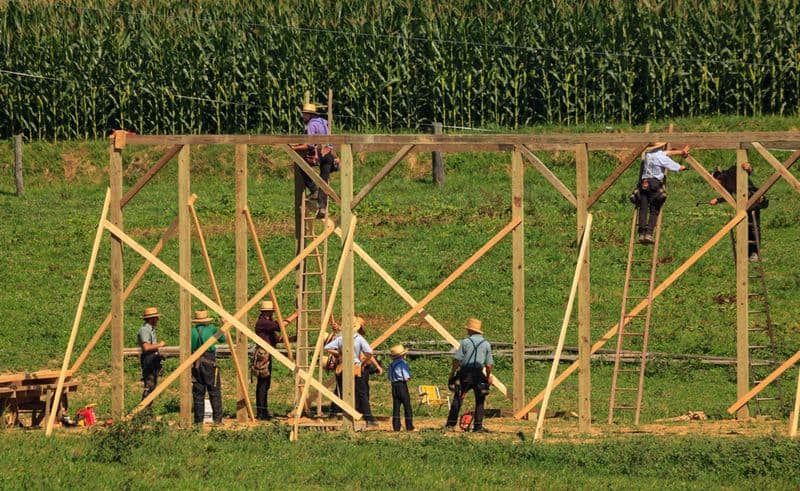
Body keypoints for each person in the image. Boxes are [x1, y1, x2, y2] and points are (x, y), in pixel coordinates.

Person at [324, 315, 383, 426]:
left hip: (343, 367)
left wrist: (339, 354)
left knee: (341, 391)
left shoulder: (341, 338)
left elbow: (327, 348)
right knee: (361, 393)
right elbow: (370, 353)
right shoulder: (359, 339)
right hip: (356, 367)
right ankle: (369, 418)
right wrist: (363, 364)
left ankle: (337, 413)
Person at [709, 162, 768, 261]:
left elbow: (746, 170)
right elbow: (727, 195)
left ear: (718, 178)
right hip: (744, 205)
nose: (715, 186)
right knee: (745, 227)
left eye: (715, 183)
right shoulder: (726, 184)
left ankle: (755, 253)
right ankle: (747, 253)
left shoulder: (732, 171)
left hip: (754, 199)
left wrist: (748, 167)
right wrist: (717, 200)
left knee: (754, 227)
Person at [634, 142, 690, 244]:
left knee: (643, 208)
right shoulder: (661, 157)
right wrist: (682, 167)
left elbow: (667, 153)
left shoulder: (648, 155)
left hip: (644, 183)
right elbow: (675, 166)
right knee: (655, 208)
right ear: (662, 146)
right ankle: (649, 234)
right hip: (654, 183)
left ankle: (641, 234)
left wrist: (681, 152)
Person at [445, 318, 494, 433]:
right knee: (480, 400)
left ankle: (450, 424)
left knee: (458, 397)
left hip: (465, 373)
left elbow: (457, 360)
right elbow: (489, 365)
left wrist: (453, 373)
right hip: (478, 373)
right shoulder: (486, 344)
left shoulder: (465, 342)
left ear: (470, 331)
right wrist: (487, 377)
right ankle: (478, 426)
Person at [291, 102, 338, 219]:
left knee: (301, 166)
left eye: (304, 115)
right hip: (329, 153)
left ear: (309, 115)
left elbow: (310, 145)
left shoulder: (311, 124)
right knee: (324, 179)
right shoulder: (324, 121)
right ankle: (322, 207)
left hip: (319, 153)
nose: (303, 117)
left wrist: (294, 148)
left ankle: (313, 189)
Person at [190, 310, 223, 424]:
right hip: (209, 361)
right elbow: (223, 339)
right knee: (214, 390)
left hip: (195, 362)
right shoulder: (212, 329)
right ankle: (217, 420)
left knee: (198, 392)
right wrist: (224, 326)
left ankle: (198, 421)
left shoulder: (191, 331)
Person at [253, 300, 280, 420]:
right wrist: (295, 315)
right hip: (263, 355)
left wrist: (292, 339)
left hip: (267, 354)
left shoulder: (267, 323)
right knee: (263, 384)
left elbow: (277, 339)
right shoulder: (262, 322)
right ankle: (261, 412)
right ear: (267, 312)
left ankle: (264, 411)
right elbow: (279, 326)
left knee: (265, 384)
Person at [137, 307, 166, 401]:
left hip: (152, 358)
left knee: (152, 386)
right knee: (149, 386)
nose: (157, 320)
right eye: (156, 318)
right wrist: (160, 345)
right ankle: (144, 410)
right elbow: (146, 347)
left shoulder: (151, 330)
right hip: (148, 359)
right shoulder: (145, 330)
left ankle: (147, 411)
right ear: (152, 319)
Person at [387, 343, 415, 432]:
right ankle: (409, 426)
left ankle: (396, 427)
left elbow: (389, 377)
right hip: (401, 385)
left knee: (396, 407)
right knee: (407, 406)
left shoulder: (391, 365)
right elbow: (406, 377)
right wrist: (408, 377)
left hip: (394, 386)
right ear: (402, 355)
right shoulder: (402, 363)